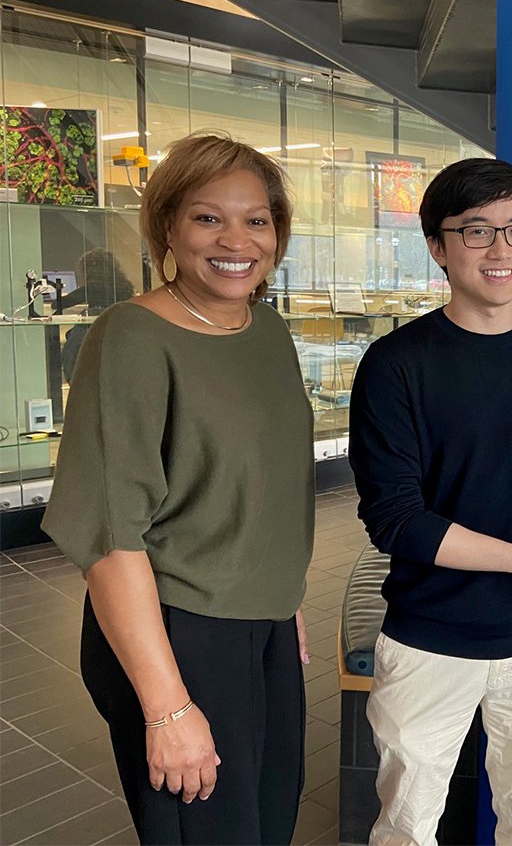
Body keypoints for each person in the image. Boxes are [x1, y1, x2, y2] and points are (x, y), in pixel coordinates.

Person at [42, 133, 314, 844]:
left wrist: (280, 597)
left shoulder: (268, 328)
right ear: (167, 224)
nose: (237, 240)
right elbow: (108, 536)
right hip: (177, 632)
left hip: (266, 625)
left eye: (257, 220)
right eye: (206, 217)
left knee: (266, 825)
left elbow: (259, 492)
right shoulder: (130, 338)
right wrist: (166, 708)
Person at [349, 157, 512, 846]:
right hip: (431, 638)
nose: (502, 251)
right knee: (406, 829)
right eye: (477, 231)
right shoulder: (396, 364)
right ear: (438, 245)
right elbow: (395, 521)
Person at [59, 248, 136, 383]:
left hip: (96, 324)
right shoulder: (125, 285)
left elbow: (60, 303)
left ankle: (76, 382)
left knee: (72, 346)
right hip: (120, 326)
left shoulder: (93, 286)